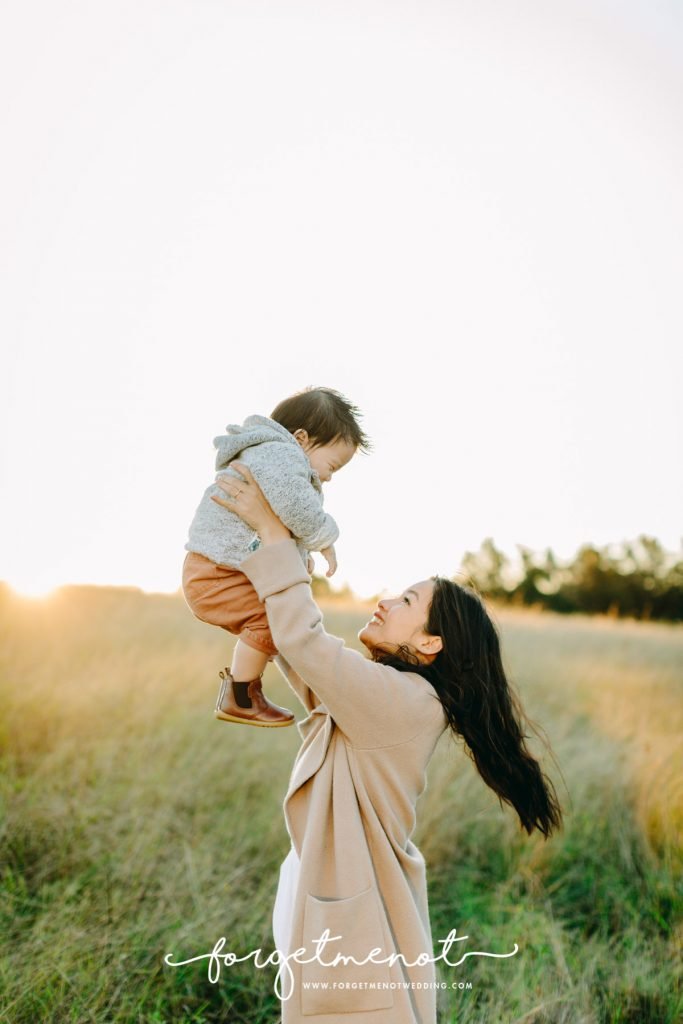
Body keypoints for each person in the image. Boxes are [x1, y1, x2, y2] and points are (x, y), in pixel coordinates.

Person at [210, 462, 563, 1024]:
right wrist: (275, 541)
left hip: (349, 901)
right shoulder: (390, 695)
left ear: (430, 641)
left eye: (405, 600)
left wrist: (275, 537)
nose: (384, 601)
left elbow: (305, 642)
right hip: (322, 886)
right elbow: (301, 656)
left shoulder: (409, 703)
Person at [182, 386, 371, 727]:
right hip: (217, 571)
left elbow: (277, 520)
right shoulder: (280, 456)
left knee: (276, 619)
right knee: (273, 620)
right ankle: (240, 696)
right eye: (332, 466)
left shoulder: (270, 459)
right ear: (301, 438)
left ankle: (243, 691)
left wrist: (297, 556)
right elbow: (296, 508)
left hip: (218, 568)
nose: (327, 477)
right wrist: (324, 536)